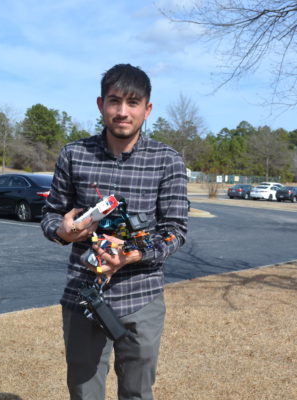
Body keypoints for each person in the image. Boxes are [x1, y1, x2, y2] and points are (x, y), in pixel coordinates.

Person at [41, 64, 188, 400]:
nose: (123, 112)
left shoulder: (167, 160)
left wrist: (131, 254)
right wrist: (64, 232)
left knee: (137, 392)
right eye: (114, 101)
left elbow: (175, 231)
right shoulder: (74, 154)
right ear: (100, 104)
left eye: (133, 102)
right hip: (83, 294)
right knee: (84, 391)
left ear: (147, 109)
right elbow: (50, 215)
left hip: (141, 296)